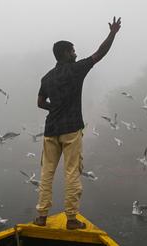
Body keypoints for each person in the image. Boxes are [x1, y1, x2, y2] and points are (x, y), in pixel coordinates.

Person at [34, 16, 121, 230]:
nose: (76, 53)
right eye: (73, 51)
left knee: (46, 173)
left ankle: (41, 217)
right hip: (71, 130)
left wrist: (54, 108)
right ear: (65, 53)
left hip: (50, 130)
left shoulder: (47, 77)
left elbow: (39, 103)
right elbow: (99, 53)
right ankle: (71, 219)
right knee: (72, 172)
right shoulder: (76, 69)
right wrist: (113, 33)